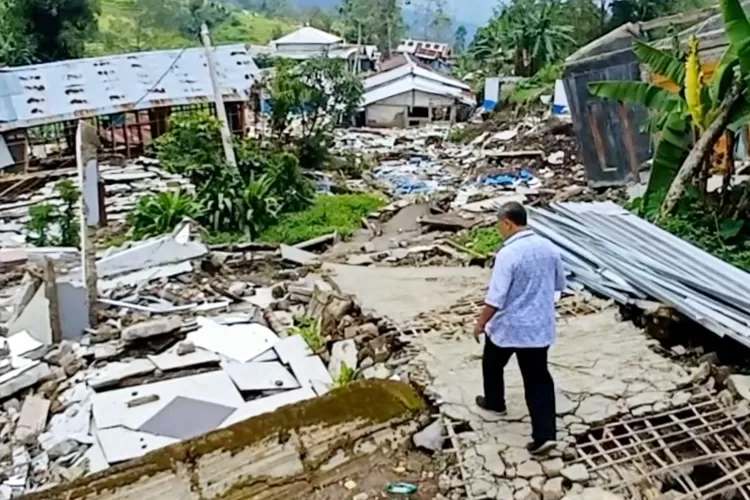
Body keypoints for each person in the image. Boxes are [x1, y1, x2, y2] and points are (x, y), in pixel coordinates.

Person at [473, 201, 566, 456]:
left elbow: (496, 297)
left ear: (507, 223)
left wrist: (481, 323)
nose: (498, 230)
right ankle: (545, 435)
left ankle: (495, 402)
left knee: (492, 363)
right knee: (538, 378)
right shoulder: (548, 248)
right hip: (538, 327)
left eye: (498, 225)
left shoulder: (508, 254)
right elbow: (560, 284)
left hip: (509, 327)